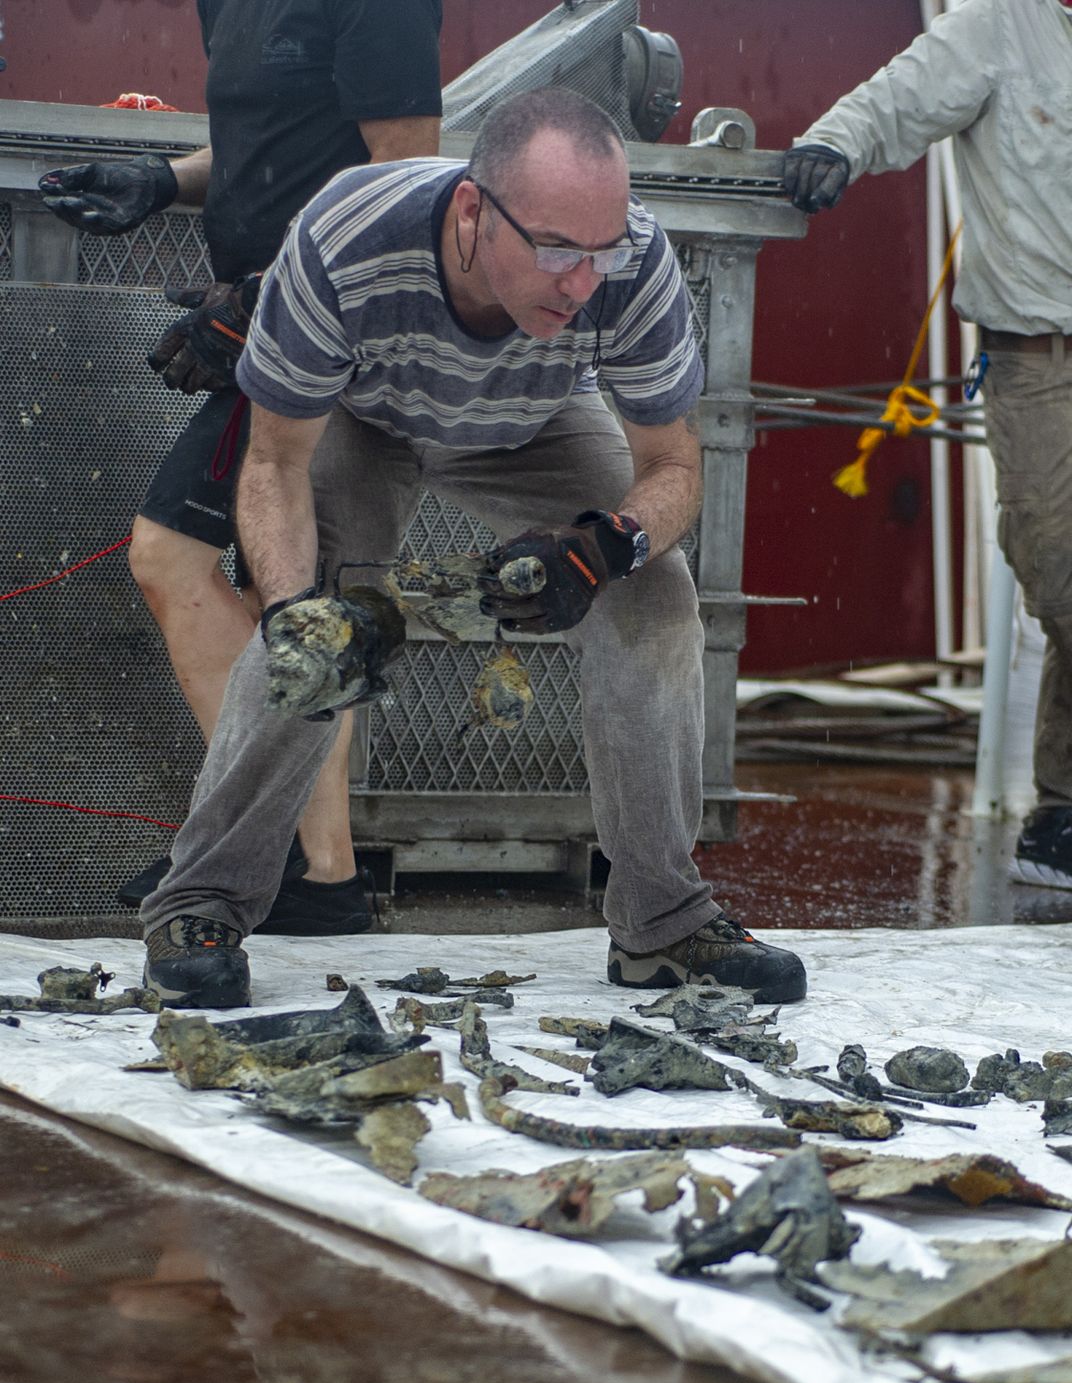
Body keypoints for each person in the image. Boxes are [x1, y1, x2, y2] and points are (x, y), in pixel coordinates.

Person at [136, 86, 808, 1011]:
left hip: (534, 421)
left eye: (599, 255)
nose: (582, 283)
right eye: (558, 253)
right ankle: (202, 902)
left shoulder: (633, 265)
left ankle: (663, 921)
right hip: (362, 416)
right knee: (311, 639)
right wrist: (294, 612)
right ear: (469, 212)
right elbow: (275, 464)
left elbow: (672, 462)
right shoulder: (346, 239)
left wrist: (607, 547)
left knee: (657, 598)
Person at [38, 0, 444, 933]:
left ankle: (258, 841)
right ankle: (325, 874)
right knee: (284, 597)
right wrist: (159, 181)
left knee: (169, 556)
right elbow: (284, 146)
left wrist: (267, 295)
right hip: (267, 321)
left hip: (327, 330)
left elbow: (403, 177)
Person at [783, 0, 1072, 891]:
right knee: (1060, 564)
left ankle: (1060, 810)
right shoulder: (997, 27)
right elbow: (898, 98)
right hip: (1040, 358)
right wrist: (832, 143)